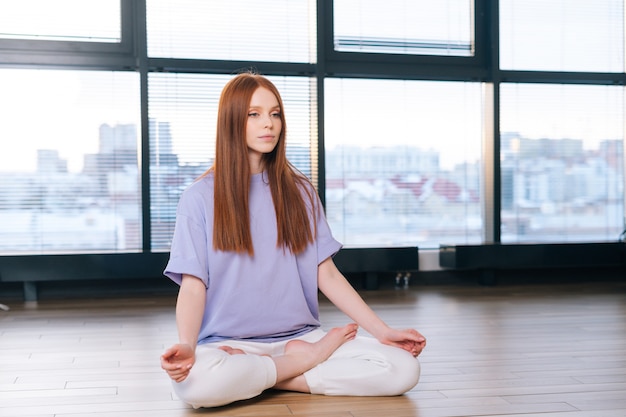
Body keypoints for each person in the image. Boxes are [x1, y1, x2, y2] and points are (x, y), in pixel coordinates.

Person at [160, 71, 426, 409]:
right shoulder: (197, 198)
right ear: (231, 122)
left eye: (275, 114)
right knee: (193, 385)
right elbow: (193, 285)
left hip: (299, 337)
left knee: (402, 369)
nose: (268, 124)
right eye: (253, 114)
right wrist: (187, 345)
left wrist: (382, 331)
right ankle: (304, 365)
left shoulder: (300, 192)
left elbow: (325, 273)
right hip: (228, 342)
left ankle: (264, 377)